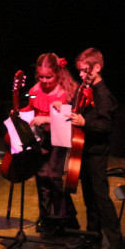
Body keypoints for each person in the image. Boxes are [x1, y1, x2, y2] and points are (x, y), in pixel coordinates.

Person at [60, 47, 125, 249]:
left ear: (97, 68)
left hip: (97, 152)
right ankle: (93, 235)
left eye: (85, 70)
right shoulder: (85, 89)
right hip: (85, 149)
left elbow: (106, 126)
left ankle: (117, 243)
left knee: (100, 196)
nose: (81, 75)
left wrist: (85, 122)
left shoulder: (104, 95)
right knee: (89, 196)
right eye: (79, 71)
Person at [23, 52, 80, 235]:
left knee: (54, 176)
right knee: (41, 175)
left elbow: (68, 119)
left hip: (60, 139)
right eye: (41, 77)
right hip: (42, 138)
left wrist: (47, 117)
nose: (45, 80)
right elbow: (30, 107)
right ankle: (47, 217)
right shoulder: (34, 91)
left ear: (58, 74)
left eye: (49, 77)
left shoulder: (65, 93)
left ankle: (65, 217)